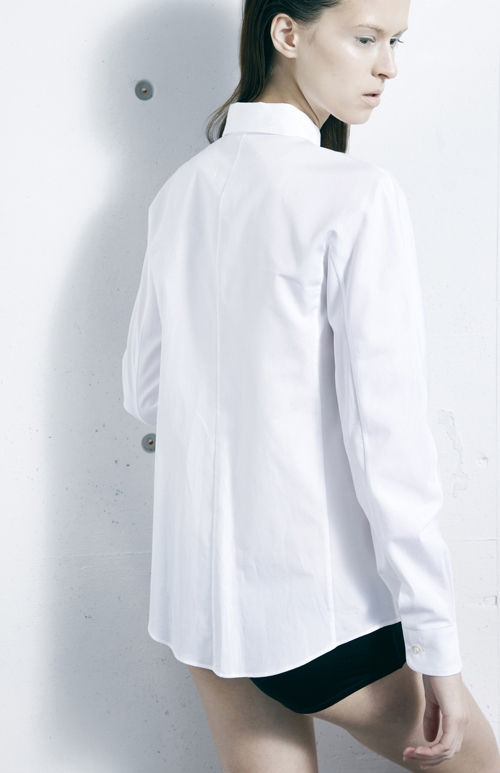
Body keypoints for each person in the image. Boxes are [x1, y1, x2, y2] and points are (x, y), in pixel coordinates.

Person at [121, 0, 500, 770]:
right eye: (365, 38)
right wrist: (437, 646)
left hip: (199, 606)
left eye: (395, 41)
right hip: (314, 616)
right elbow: (388, 444)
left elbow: (146, 390)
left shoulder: (180, 193)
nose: (387, 65)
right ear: (287, 34)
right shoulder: (354, 193)